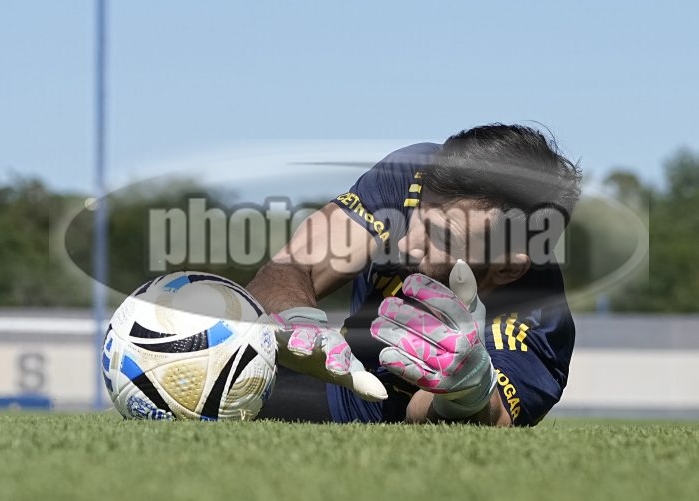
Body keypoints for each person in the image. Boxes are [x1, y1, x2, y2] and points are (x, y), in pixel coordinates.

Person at [247, 123, 582, 426]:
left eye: (442, 237)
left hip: (366, 418)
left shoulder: (540, 329)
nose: (406, 243)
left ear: (507, 268)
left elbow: (464, 417)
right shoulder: (413, 173)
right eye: (416, 214)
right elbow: (292, 266)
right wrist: (299, 320)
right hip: (331, 371)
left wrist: (467, 392)